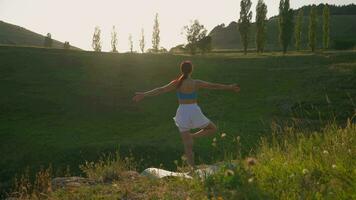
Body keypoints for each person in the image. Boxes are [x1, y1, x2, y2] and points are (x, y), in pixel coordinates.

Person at [132, 60, 240, 169]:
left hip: (182, 112)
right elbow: (214, 86)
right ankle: (193, 136)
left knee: (187, 146)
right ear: (191, 70)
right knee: (213, 128)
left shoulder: (177, 83)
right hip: (194, 110)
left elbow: (160, 90)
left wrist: (144, 94)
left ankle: (192, 168)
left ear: (181, 70)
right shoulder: (196, 83)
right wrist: (230, 87)